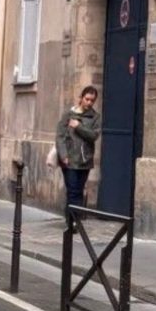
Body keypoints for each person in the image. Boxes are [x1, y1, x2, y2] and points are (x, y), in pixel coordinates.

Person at [56, 85, 102, 216]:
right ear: (81, 98)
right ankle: (72, 220)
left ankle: (75, 219)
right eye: (87, 99)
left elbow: (94, 136)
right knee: (72, 190)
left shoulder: (95, 117)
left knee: (79, 190)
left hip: (84, 160)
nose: (89, 102)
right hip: (69, 159)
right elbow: (60, 136)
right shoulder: (69, 114)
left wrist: (78, 127)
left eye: (92, 100)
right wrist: (63, 155)